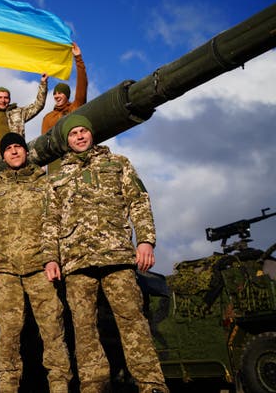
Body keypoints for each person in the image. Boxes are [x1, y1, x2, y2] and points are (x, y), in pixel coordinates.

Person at [46, 115, 168, 393]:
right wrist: (51, 257)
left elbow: (138, 202)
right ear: (67, 140)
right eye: (73, 133)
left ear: (92, 134)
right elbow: (49, 221)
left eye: (83, 131)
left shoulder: (118, 163)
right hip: (76, 262)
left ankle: (152, 385)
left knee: (133, 322)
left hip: (117, 256)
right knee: (84, 328)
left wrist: (146, 241)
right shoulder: (57, 177)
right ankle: (93, 386)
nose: (79, 136)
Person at [0, 133, 71, 393]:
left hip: (39, 268)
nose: (13, 152)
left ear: (25, 152)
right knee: (8, 335)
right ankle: (8, 387)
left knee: (53, 330)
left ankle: (60, 386)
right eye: (8, 148)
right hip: (7, 273)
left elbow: (53, 223)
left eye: (17, 147)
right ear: (2, 155)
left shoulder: (44, 185)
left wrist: (52, 258)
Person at [41, 43, 88, 173]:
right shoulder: (48, 118)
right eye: (55, 93)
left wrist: (78, 59)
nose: (57, 96)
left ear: (67, 95)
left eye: (60, 93)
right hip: (55, 163)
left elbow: (82, 86)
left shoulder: (75, 108)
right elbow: (43, 143)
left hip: (75, 158)